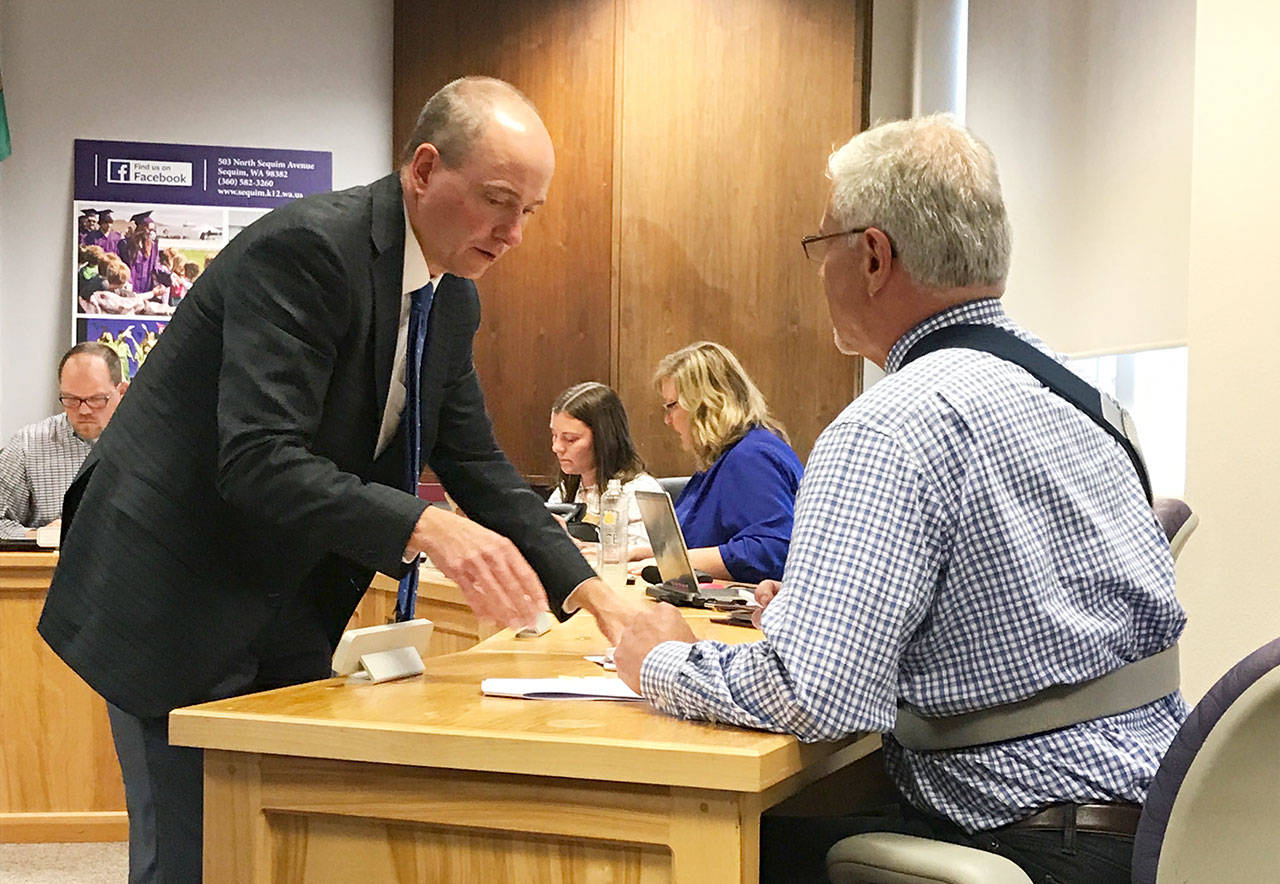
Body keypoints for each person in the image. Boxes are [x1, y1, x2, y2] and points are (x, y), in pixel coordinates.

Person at [39, 76, 633, 884]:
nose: (515, 233)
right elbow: (258, 457)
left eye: (531, 211)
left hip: (282, 586)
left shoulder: (452, 300)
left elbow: (479, 466)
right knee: (193, 854)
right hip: (172, 584)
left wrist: (598, 596)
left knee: (278, 843)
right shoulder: (307, 250)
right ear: (424, 169)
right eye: (499, 201)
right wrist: (426, 525)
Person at [613, 115, 1185, 884]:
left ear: (874, 256)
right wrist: (818, 618)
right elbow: (1032, 626)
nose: (819, 270)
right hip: (1162, 826)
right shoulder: (1093, 403)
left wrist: (658, 662)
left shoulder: (889, 427)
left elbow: (814, 699)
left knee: (687, 856)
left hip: (1032, 841)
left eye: (822, 244)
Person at [642, 341, 802, 583]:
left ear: (705, 403)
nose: (667, 420)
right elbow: (696, 544)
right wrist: (642, 554)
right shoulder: (724, 458)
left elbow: (770, 550)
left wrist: (670, 564)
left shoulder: (751, 457)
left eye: (671, 406)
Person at [0, 343, 126, 539]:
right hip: (54, 558)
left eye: (96, 399)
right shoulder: (27, 446)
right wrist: (39, 536)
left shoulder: (150, 443)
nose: (84, 410)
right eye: (71, 399)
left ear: (122, 392)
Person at [546, 381, 664, 548]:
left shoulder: (641, 491)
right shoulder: (565, 490)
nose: (556, 447)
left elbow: (653, 553)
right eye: (554, 435)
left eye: (570, 439)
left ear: (604, 439)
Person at [115, 210, 165, 300]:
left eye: (152, 230)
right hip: (130, 287)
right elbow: (122, 264)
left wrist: (167, 275)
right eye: (149, 229)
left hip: (147, 287)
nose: (151, 233)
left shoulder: (153, 246)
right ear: (140, 228)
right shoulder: (125, 244)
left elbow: (156, 265)